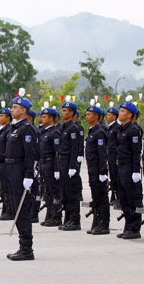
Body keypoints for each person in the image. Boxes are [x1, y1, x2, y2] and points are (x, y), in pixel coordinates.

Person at [0, 88, 37, 261]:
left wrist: (29, 175)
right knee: (14, 208)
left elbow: (30, 155)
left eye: (15, 107)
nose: (12, 110)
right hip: (10, 170)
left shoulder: (26, 129)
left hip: (20, 171)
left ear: (24, 110)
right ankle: (23, 246)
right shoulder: (13, 129)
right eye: (13, 107)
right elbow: (7, 155)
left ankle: (27, 248)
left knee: (22, 210)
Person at [115, 96, 143, 240]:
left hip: (129, 167)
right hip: (121, 166)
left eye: (123, 111)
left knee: (134, 198)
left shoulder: (133, 130)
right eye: (120, 110)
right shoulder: (121, 129)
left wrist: (135, 171)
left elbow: (136, 152)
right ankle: (128, 225)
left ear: (130, 114)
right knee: (124, 198)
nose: (120, 113)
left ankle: (135, 227)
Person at [84, 101, 110, 235]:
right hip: (92, 168)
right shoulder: (93, 131)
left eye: (89, 115)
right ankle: (97, 221)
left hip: (97, 168)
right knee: (96, 196)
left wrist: (102, 172)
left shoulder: (100, 132)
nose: (86, 117)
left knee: (101, 196)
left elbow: (102, 154)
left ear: (97, 116)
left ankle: (104, 224)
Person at [58, 96, 82, 231]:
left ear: (72, 113)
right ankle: (68, 219)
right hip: (62, 161)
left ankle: (75, 220)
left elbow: (75, 149)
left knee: (72, 193)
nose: (63, 113)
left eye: (66, 111)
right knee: (65, 193)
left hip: (69, 162)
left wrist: (73, 166)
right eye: (63, 110)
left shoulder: (73, 128)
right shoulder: (64, 127)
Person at [38, 106, 62, 227]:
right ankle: (49, 214)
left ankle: (56, 216)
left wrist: (57, 169)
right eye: (42, 116)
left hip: (51, 164)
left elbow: (57, 153)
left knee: (54, 191)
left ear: (52, 118)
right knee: (47, 191)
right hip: (44, 163)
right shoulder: (44, 132)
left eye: (45, 117)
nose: (42, 119)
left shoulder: (55, 133)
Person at [0, 104, 14, 221]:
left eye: (2, 116)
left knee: (7, 188)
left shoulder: (9, 130)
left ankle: (10, 211)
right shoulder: (1, 131)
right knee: (3, 188)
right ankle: (5, 210)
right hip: (0, 162)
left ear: (8, 118)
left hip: (5, 162)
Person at [106, 103, 121, 209]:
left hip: (115, 155)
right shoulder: (110, 128)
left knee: (116, 176)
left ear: (115, 116)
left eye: (110, 115)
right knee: (112, 176)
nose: (108, 117)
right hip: (109, 155)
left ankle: (118, 197)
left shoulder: (117, 128)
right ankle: (113, 195)